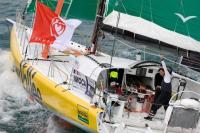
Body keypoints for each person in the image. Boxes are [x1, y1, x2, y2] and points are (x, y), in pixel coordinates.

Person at [144, 57, 172, 121]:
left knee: (156, 104)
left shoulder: (167, 75)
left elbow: (164, 67)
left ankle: (150, 117)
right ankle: (169, 119)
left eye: (161, 72)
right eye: (159, 72)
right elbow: (166, 86)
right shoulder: (166, 77)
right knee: (166, 107)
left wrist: (162, 60)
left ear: (164, 71)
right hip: (167, 94)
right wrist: (160, 87)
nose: (160, 73)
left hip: (165, 94)